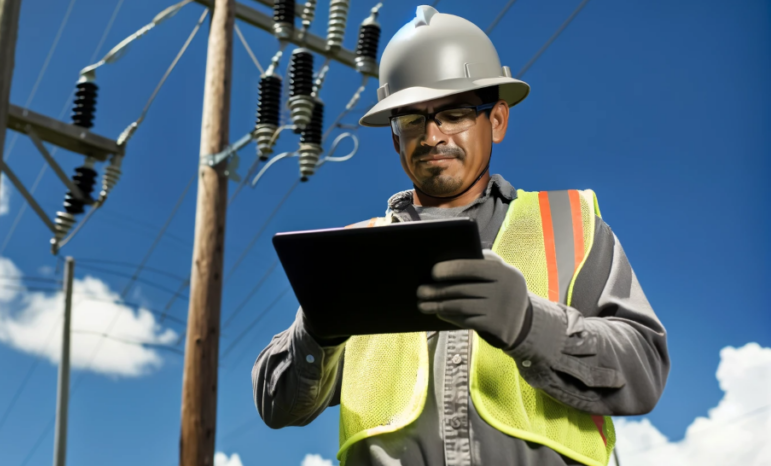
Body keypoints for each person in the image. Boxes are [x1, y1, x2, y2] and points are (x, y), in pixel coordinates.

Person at [251, 6, 669, 466]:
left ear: (497, 121)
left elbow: (644, 372)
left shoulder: (568, 224)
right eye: (412, 120)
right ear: (395, 138)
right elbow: (278, 406)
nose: (432, 136)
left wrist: (529, 323)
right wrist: (316, 332)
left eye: (454, 114)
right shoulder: (356, 253)